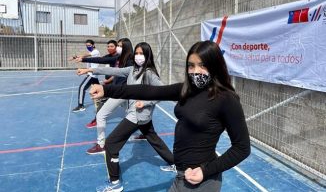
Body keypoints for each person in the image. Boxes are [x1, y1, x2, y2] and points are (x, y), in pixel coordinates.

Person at [90, 41, 251, 191]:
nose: (196, 71)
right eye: (191, 65)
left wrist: (204, 171)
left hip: (202, 180)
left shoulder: (226, 99)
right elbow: (147, 91)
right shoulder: (186, 90)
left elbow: (242, 148)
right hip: (181, 175)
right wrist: (107, 90)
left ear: (215, 66)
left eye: (203, 65)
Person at [78, 42, 175, 192]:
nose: (138, 56)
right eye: (136, 53)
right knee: (153, 138)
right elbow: (114, 71)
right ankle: (174, 163)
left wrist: (145, 102)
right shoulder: (131, 70)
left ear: (147, 55)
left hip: (137, 115)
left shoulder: (149, 73)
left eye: (141, 53)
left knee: (111, 144)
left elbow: (162, 92)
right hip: (141, 116)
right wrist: (90, 69)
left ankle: (115, 183)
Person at [75, 39, 119, 128]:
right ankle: (97, 119)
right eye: (108, 46)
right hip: (110, 83)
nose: (109, 48)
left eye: (111, 46)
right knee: (101, 101)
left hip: (117, 84)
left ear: (116, 47)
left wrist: (109, 80)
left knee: (129, 107)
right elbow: (99, 59)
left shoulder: (118, 57)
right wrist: (83, 60)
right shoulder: (109, 56)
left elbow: (118, 72)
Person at [71, 39, 100, 112]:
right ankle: (104, 101)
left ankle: (80, 106)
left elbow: (85, 55)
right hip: (93, 74)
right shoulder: (92, 53)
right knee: (99, 90)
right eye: (87, 46)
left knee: (81, 88)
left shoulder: (95, 52)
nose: (88, 47)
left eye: (89, 45)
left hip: (92, 74)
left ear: (93, 45)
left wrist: (75, 56)